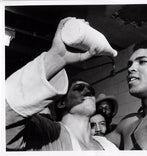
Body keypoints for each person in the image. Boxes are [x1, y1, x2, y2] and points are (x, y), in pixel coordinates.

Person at [6, 17, 118, 151]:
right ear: (61, 103)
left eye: (90, 90)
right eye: (79, 88)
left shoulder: (108, 146)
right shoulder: (48, 135)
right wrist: (57, 58)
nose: (88, 91)